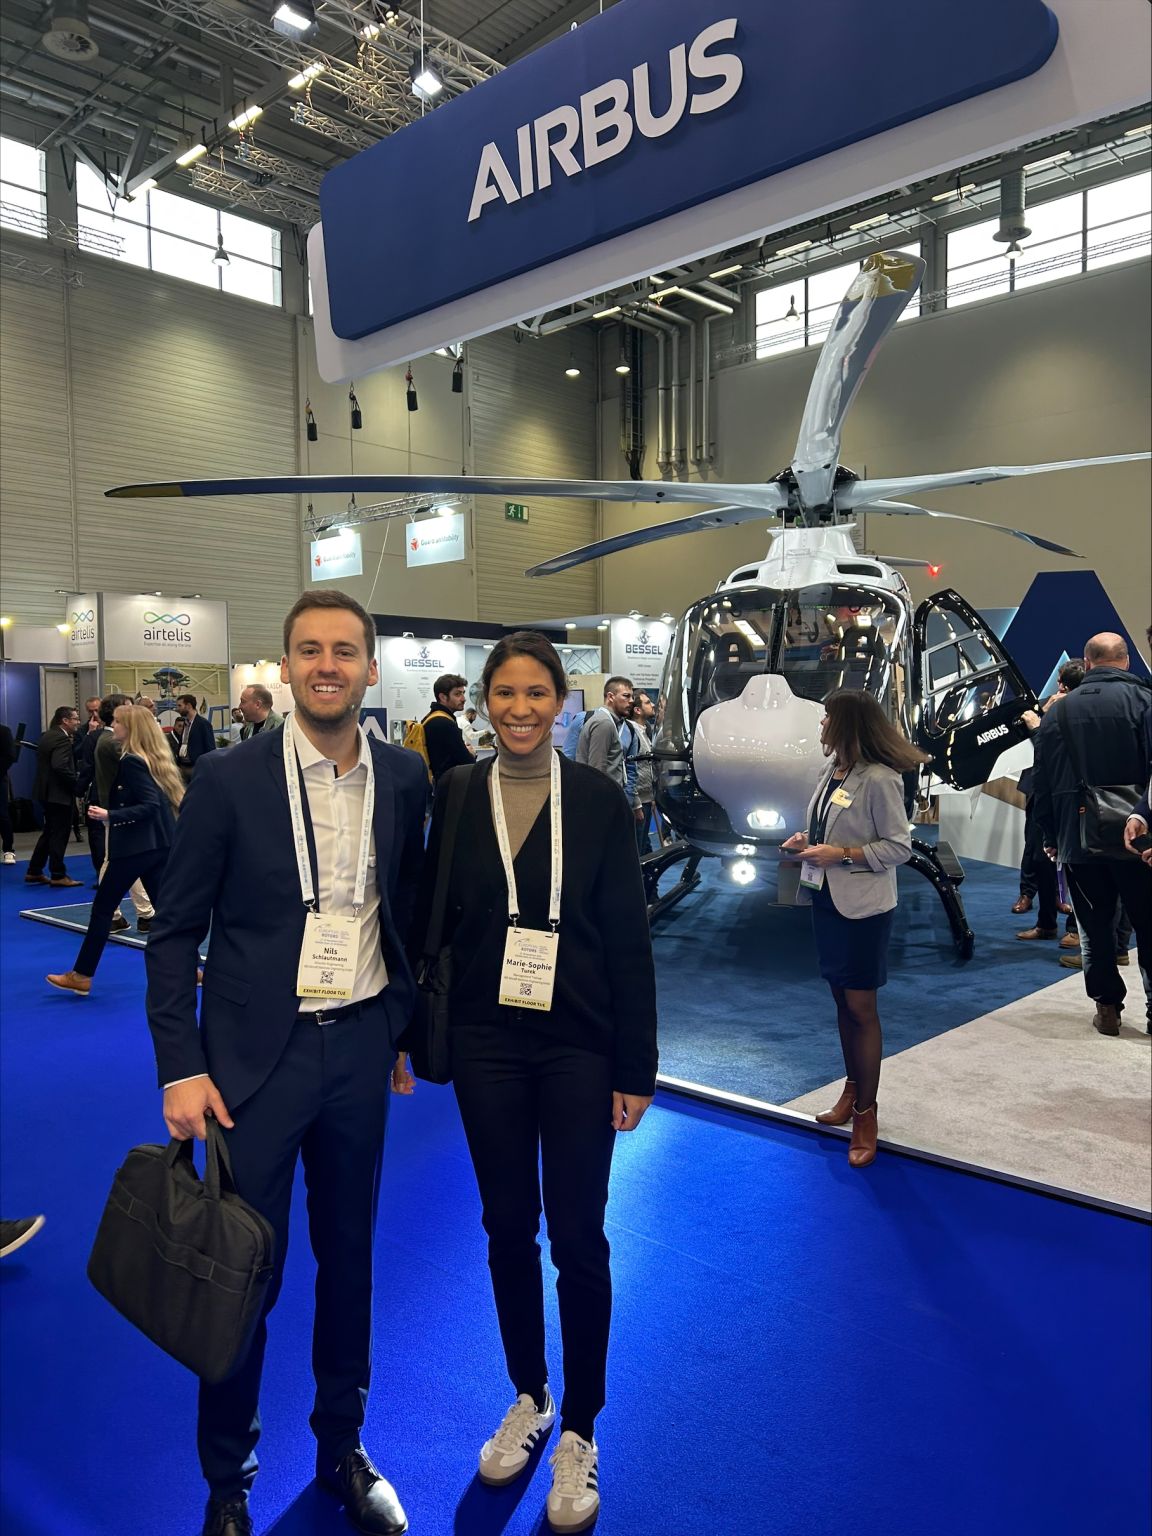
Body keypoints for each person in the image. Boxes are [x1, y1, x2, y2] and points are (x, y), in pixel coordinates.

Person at [145, 590, 425, 1536]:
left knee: (350, 1264)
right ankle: (229, 1477)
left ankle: (341, 1446)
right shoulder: (228, 780)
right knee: (240, 1275)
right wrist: (179, 1065)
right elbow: (175, 930)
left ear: (370, 667)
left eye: (345, 649)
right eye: (310, 650)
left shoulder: (406, 777)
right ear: (285, 664)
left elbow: (408, 915)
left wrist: (400, 1024)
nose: (327, 665)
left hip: (357, 1055)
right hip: (249, 1069)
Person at [406, 631, 657, 1534]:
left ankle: (583, 1428)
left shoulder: (594, 800)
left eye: (536, 694)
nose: (519, 709)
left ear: (561, 701)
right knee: (507, 1225)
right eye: (504, 694)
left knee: (578, 1237)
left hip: (580, 1044)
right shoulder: (458, 791)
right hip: (485, 1040)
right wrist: (412, 1032)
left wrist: (637, 1066)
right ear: (484, 701)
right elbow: (434, 916)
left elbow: (628, 940)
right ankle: (530, 1392)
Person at [781, 689, 926, 1168]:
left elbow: (900, 848)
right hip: (827, 898)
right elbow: (831, 826)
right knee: (842, 1000)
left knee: (862, 1007)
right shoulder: (832, 771)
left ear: (846, 724)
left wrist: (841, 855)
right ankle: (851, 1091)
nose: (821, 725)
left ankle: (866, 1113)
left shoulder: (881, 779)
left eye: (826, 718)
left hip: (864, 908)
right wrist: (810, 840)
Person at [1032, 632, 1151, 1034]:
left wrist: (1051, 837)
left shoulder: (1058, 713)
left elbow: (1042, 785)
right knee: (1149, 924)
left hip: (1078, 837)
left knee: (1093, 929)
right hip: (1141, 840)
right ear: (1127, 661)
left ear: (1086, 662)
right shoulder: (1145, 702)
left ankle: (1107, 1008)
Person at [46, 705, 180, 996]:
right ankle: (191, 969)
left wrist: (109, 815)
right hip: (157, 845)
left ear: (130, 728)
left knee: (103, 910)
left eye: (117, 722)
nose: (112, 725)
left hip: (134, 848)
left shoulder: (133, 761)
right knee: (167, 912)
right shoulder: (151, 759)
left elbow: (148, 805)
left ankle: (81, 975)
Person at [1015, 660, 1083, 939]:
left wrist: (1038, 727)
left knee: (1077, 862)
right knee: (1039, 857)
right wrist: (1040, 715)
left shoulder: (1079, 711)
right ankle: (1046, 923)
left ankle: (1075, 930)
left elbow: (1056, 749)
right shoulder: (1045, 706)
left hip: (1071, 796)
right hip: (1041, 794)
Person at [25, 705, 82, 888]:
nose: (77, 722)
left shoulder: (47, 735)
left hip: (45, 792)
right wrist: (76, 783)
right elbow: (60, 766)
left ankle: (34, 870)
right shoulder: (62, 740)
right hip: (59, 794)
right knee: (59, 834)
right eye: (75, 719)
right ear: (65, 721)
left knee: (49, 832)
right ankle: (58, 874)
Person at [575, 677, 644, 830]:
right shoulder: (604, 723)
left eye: (632, 697)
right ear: (610, 697)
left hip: (608, 803)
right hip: (602, 806)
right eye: (626, 696)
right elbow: (596, 772)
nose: (631, 701)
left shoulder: (606, 722)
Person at [420, 672, 473, 783]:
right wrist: (471, 753)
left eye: (463, 693)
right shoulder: (444, 723)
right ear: (443, 697)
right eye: (457, 694)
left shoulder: (430, 718)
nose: (463, 699)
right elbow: (467, 763)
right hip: (449, 789)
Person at [631, 691, 658, 855]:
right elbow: (630, 768)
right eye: (648, 702)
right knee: (638, 850)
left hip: (646, 799)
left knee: (644, 848)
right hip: (638, 802)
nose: (652, 705)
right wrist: (637, 803)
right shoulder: (632, 732)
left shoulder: (645, 730)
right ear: (638, 710)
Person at [174, 693, 216, 777]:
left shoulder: (203, 724)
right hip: (182, 767)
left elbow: (210, 748)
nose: (177, 709)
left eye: (180, 706)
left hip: (196, 768)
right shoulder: (185, 724)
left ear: (188, 705)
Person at [0, 722, 17, 864]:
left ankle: (8, 850)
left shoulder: (4, 731)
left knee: (2, 815)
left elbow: (10, 755)